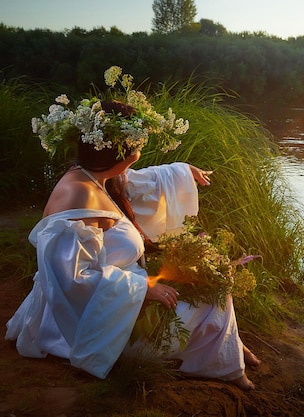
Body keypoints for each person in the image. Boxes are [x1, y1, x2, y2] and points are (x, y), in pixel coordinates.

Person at [5, 66, 259, 390]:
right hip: (94, 323)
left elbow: (141, 181)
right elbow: (73, 281)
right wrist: (145, 291)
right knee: (215, 298)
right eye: (137, 144)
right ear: (121, 151)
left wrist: (183, 171)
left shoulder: (94, 176)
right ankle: (228, 367)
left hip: (118, 300)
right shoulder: (78, 195)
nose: (140, 150)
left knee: (210, 281)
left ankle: (229, 350)